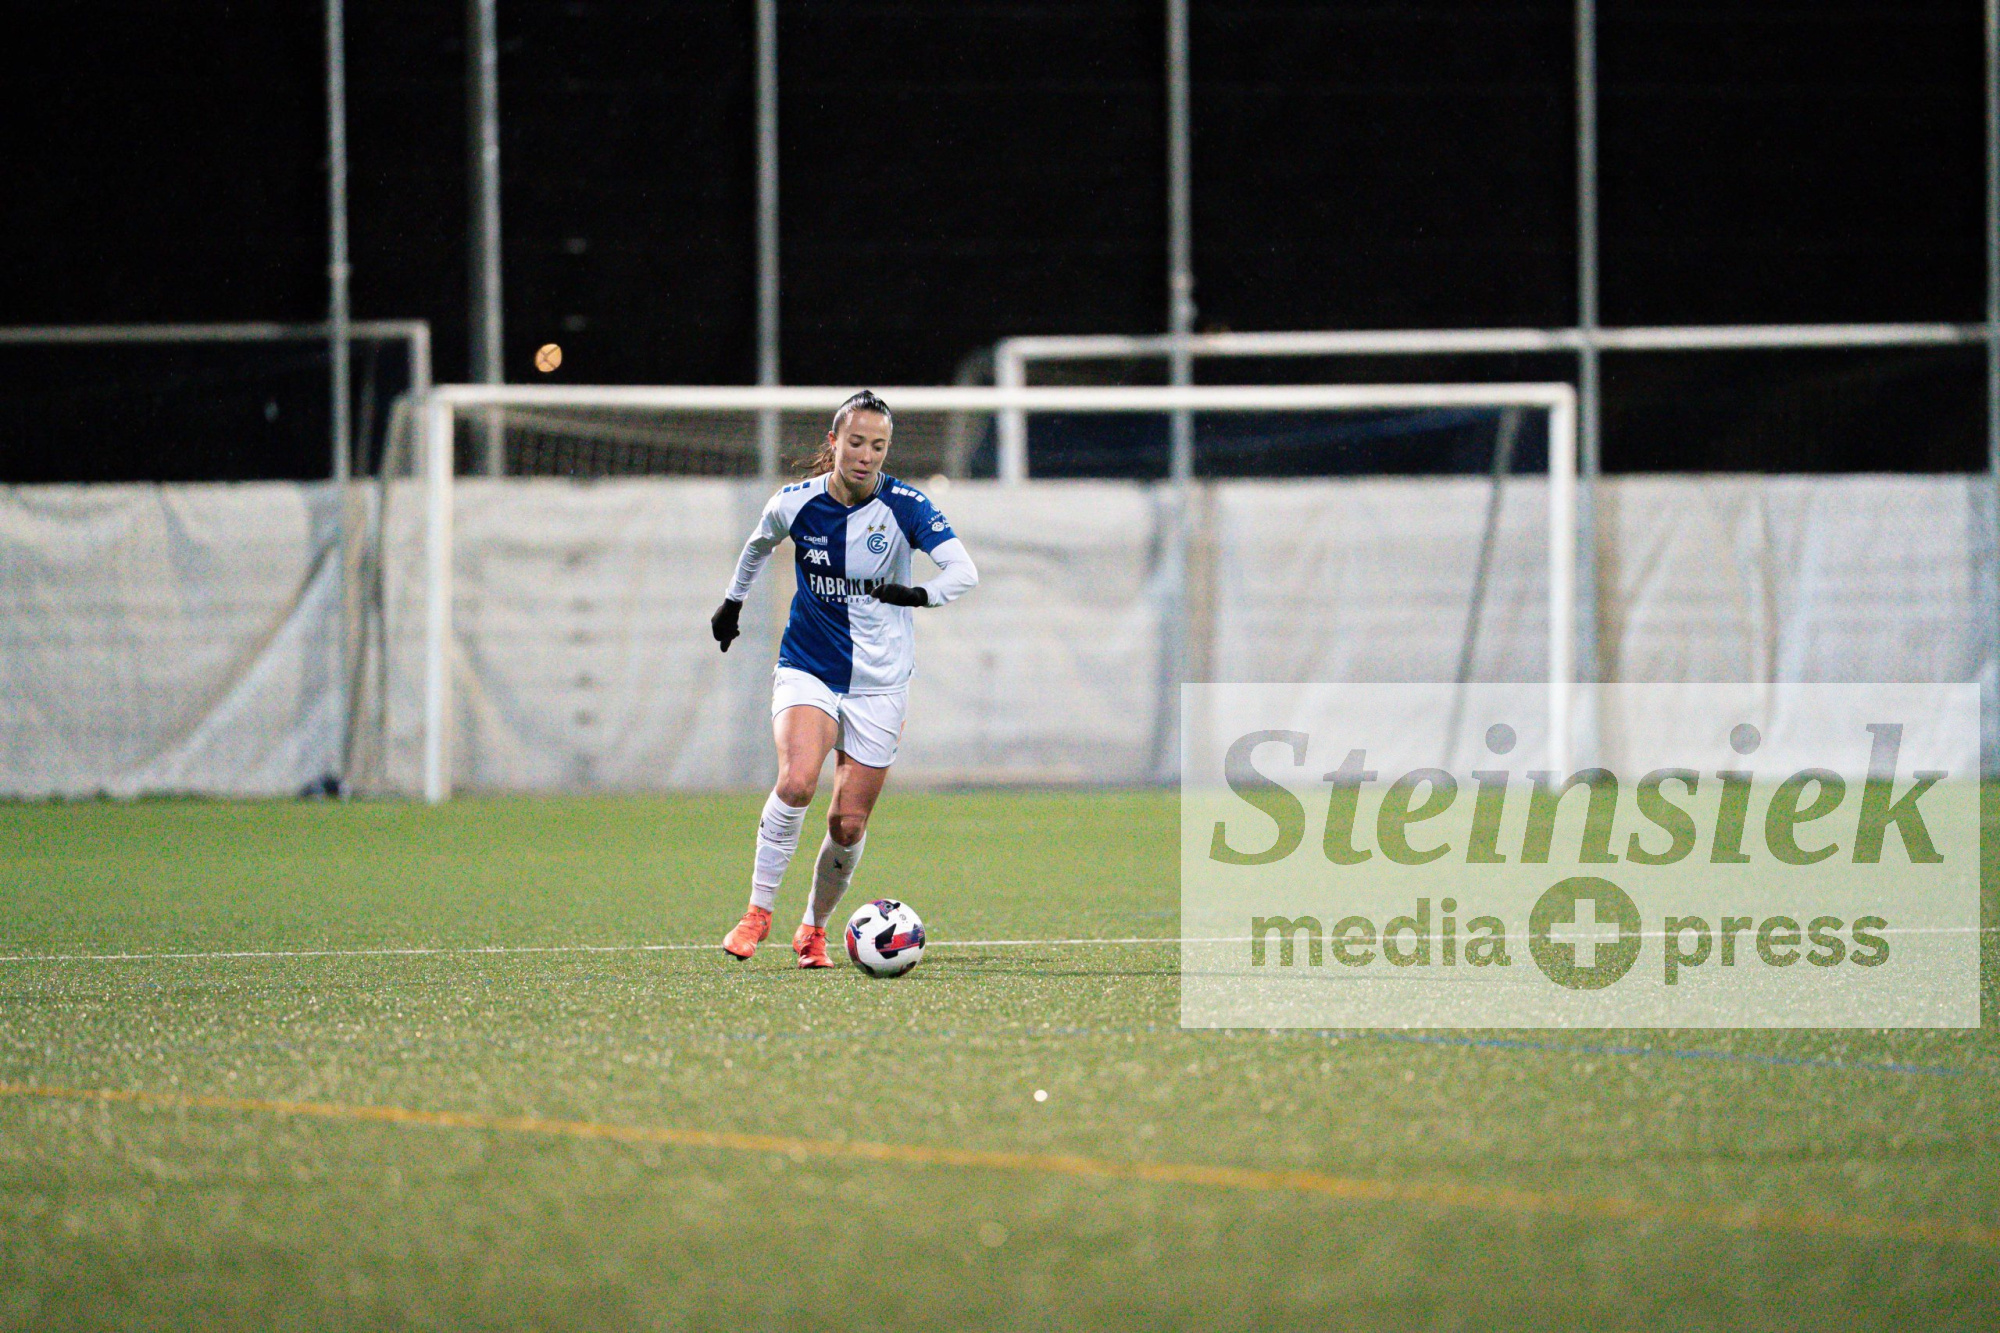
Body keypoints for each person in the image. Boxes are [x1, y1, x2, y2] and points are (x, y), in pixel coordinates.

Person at [708, 391, 978, 967]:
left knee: (848, 823)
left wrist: (919, 594)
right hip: (809, 667)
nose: (866, 456)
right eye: (856, 442)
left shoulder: (906, 506)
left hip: (881, 682)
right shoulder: (795, 502)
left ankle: (814, 929)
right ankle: (756, 914)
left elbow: (964, 571)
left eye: (878, 446)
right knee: (797, 782)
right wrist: (732, 603)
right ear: (834, 442)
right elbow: (757, 547)